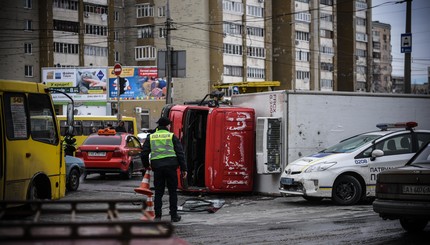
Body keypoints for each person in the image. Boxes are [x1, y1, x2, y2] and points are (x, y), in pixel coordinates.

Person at [141, 117, 187, 222]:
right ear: (167, 126)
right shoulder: (171, 136)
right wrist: (184, 169)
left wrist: (146, 165)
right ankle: (174, 216)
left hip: (158, 168)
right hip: (171, 167)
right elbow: (180, 153)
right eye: (169, 125)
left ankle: (158, 216)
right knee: (172, 192)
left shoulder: (151, 137)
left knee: (158, 193)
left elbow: (144, 153)